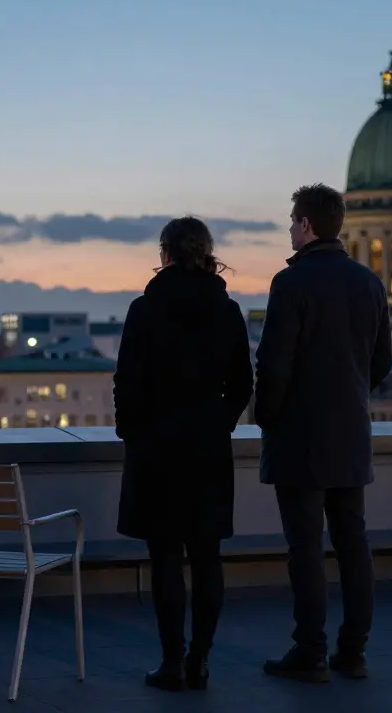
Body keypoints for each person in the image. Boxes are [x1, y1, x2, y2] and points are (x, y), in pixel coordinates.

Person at [255, 183, 392, 682]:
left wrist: (269, 418)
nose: (290, 228)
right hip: (351, 433)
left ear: (307, 225)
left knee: (306, 548)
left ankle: (309, 651)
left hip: (299, 437)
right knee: (353, 543)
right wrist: (350, 396)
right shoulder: (369, 283)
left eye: (293, 220)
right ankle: (353, 652)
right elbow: (382, 361)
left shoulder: (290, 284)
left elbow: (273, 366)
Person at [113, 216, 254, 692]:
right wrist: (220, 421)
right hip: (207, 448)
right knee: (208, 556)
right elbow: (242, 385)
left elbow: (126, 384)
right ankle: (200, 660)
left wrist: (134, 433)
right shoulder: (227, 310)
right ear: (206, 253)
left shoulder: (144, 309)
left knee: (166, 558)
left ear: (165, 253)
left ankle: (172, 662)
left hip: (156, 448)